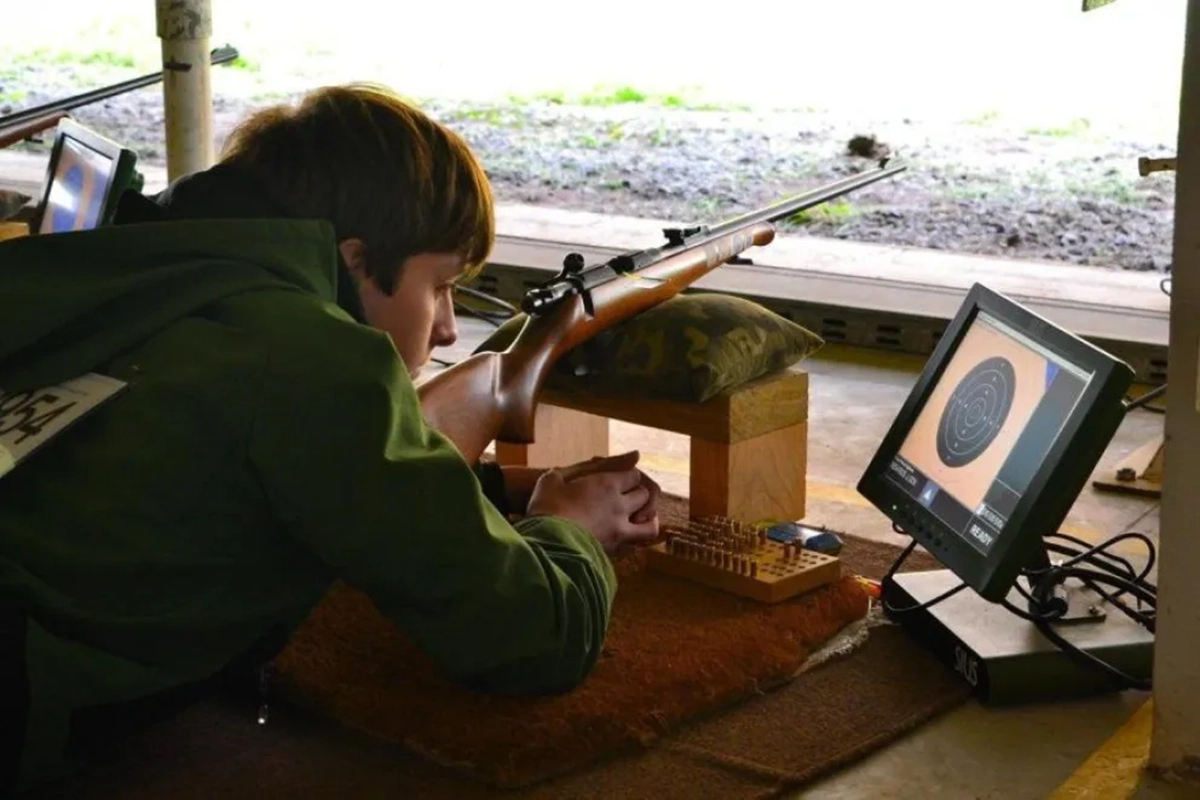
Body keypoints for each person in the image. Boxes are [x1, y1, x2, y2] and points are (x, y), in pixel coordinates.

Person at [0, 82, 662, 795]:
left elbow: (228, 464)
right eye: (440, 285)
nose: (445, 328)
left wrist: (493, 489)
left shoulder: (140, 272)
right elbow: (535, 639)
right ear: (353, 260)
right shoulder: (309, 353)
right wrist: (574, 531)